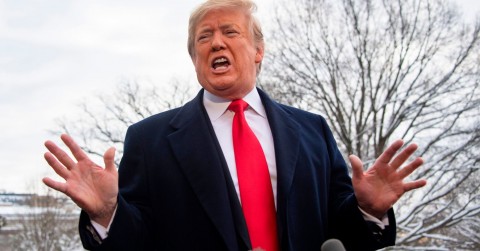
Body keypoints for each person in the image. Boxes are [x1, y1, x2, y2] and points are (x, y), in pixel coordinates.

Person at [42, 0, 427, 250]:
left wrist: (368, 210)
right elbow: (137, 240)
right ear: (194, 58)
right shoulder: (149, 139)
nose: (215, 43)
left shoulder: (313, 132)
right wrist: (107, 211)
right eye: (203, 38)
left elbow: (343, 235)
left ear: (258, 51)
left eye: (230, 32)